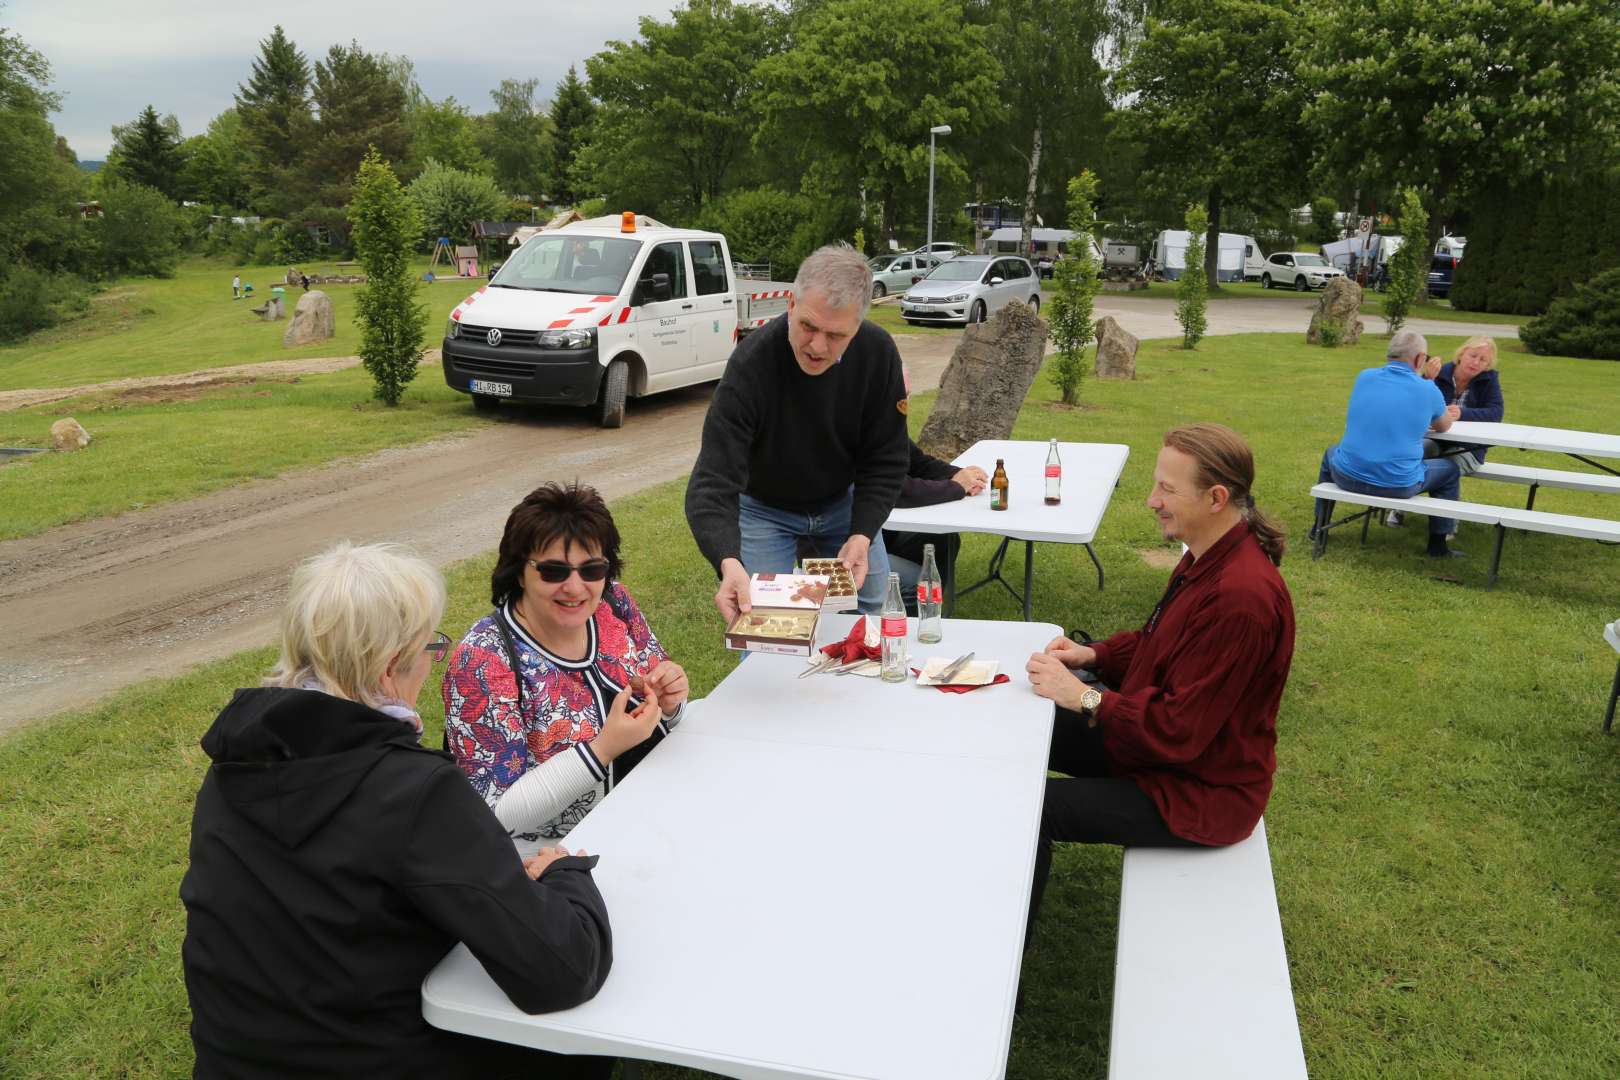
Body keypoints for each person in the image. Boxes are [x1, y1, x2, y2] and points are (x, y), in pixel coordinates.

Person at [180, 542, 613, 1079]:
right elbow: (562, 971)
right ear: (390, 669)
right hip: (380, 1060)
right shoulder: (415, 790)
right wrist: (565, 875)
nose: (434, 661)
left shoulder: (232, 765)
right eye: (432, 646)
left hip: (234, 1063)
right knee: (585, 1048)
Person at [1022, 424, 1295, 938]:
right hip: (1153, 751)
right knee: (1023, 722)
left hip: (1199, 792)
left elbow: (1179, 729)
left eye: (1167, 489)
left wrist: (1082, 694)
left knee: (1032, 808)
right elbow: (1157, 644)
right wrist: (1094, 653)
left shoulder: (1242, 597)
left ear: (1215, 498)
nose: (1152, 500)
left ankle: (1004, 954)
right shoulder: (1206, 553)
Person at [444, 482, 689, 852]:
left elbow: (660, 714)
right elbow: (495, 813)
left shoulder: (613, 604)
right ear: (519, 571)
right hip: (554, 856)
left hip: (651, 818)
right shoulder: (484, 659)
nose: (576, 588)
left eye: (592, 569)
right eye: (553, 571)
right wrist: (601, 750)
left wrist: (670, 704)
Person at [685, 243, 909, 619]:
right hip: (763, 509)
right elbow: (712, 482)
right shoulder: (751, 365)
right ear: (790, 304)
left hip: (842, 502)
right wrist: (728, 560)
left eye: (836, 335)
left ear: (858, 327)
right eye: (808, 326)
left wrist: (862, 533)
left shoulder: (878, 353)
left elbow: (885, 458)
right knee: (759, 621)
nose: (818, 346)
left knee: (874, 609)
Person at [1312, 329, 1465, 558]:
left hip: (1347, 475)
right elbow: (1444, 426)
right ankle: (1438, 544)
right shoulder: (1427, 389)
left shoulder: (1364, 377)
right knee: (1450, 470)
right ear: (1419, 358)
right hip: (1397, 483)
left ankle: (1318, 528)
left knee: (1331, 453)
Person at [1387, 335, 1503, 527]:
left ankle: (1446, 527)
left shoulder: (1489, 380)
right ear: (1461, 354)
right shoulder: (1441, 372)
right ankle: (1398, 506)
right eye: (1473, 355)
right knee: (1413, 455)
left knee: (1448, 468)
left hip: (1468, 447)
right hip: (1436, 438)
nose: (1476, 362)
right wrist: (1428, 378)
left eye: (1483, 360)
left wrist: (1463, 413)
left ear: (1488, 364)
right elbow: (1414, 401)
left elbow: (1496, 412)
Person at [881, 436, 987, 612]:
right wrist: (955, 487)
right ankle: (912, 630)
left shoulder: (884, 419)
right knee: (921, 585)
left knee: (941, 540)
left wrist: (959, 475)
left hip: (877, 534)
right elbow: (896, 490)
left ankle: (933, 616)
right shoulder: (853, 426)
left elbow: (917, 462)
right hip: (846, 547)